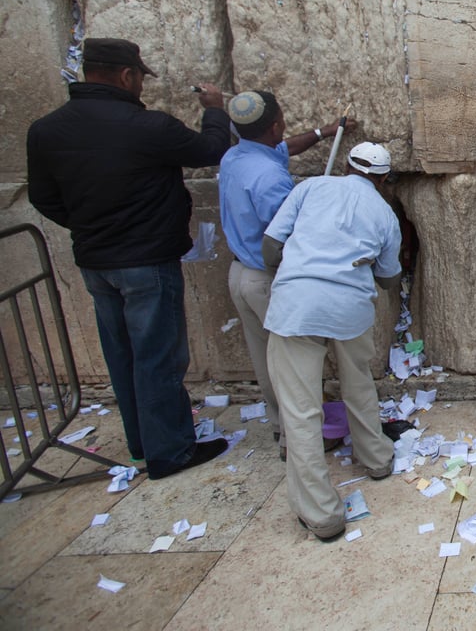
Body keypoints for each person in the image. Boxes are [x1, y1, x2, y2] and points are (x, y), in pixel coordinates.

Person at [26, 38, 231, 479]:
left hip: (96, 262)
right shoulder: (148, 126)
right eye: (139, 77)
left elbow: (44, 198)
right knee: (157, 357)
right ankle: (170, 453)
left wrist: (92, 227)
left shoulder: (46, 130)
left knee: (122, 354)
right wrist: (214, 108)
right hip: (147, 262)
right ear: (126, 76)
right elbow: (209, 150)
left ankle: (141, 446)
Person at [263, 142, 402, 542]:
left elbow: (271, 247)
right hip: (349, 307)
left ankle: (323, 514)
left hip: (296, 305)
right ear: (381, 178)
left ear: (346, 165)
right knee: (357, 380)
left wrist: (304, 263)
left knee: (301, 409)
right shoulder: (384, 214)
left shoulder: (310, 188)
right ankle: (375, 457)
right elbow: (389, 278)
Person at [218, 90, 357, 459]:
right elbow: (288, 234)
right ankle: (300, 443)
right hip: (267, 280)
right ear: (276, 123)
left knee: (268, 363)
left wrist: (327, 132)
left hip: (240, 275)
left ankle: (282, 428)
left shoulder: (237, 155)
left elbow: (285, 149)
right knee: (295, 368)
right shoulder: (269, 179)